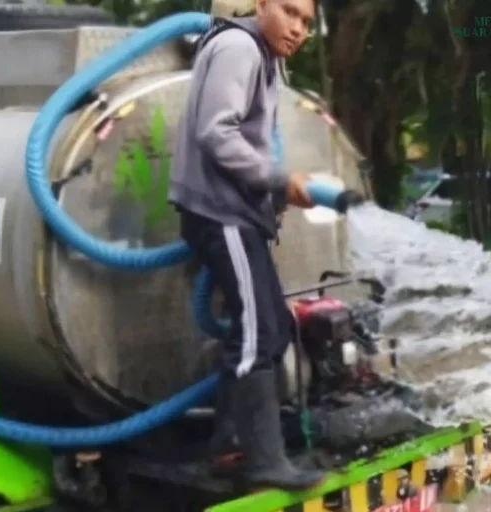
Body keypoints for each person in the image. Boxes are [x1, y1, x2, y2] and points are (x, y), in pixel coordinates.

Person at [168, 0, 324, 490]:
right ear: (261, 5)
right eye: (289, 12)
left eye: (306, 22)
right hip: (221, 214)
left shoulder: (263, 54)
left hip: (236, 212)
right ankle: (264, 463)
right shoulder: (240, 47)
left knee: (271, 327)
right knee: (258, 333)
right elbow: (217, 132)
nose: (297, 28)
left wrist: (273, 194)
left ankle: (231, 445)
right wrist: (278, 181)